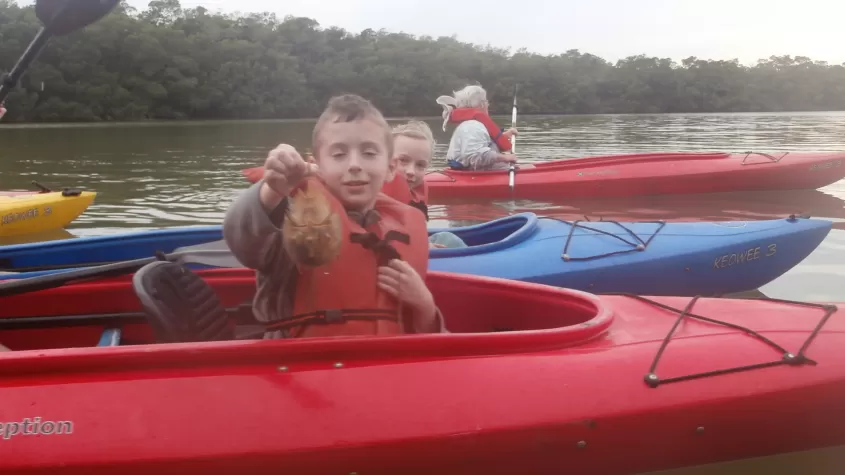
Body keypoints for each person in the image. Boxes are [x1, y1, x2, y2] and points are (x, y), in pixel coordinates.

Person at [223, 94, 447, 338]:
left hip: (386, 360)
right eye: (339, 155)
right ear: (316, 165)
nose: (354, 164)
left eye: (369, 153)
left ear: (390, 168)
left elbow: (429, 340)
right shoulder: (295, 220)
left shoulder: (404, 226)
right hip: (304, 360)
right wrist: (272, 190)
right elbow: (244, 240)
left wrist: (425, 305)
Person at [391, 120, 467, 249]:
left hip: (412, 243)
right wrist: (422, 246)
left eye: (420, 165)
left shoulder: (419, 190)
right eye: (403, 160)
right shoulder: (374, 193)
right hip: (391, 250)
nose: (411, 171)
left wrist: (425, 243)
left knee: (447, 238)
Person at [437, 84, 518, 171]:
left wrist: (505, 136)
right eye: (486, 101)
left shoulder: (471, 125)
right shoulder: (472, 126)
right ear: (481, 104)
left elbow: (481, 145)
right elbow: (475, 156)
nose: (488, 104)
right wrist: (505, 158)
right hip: (475, 175)